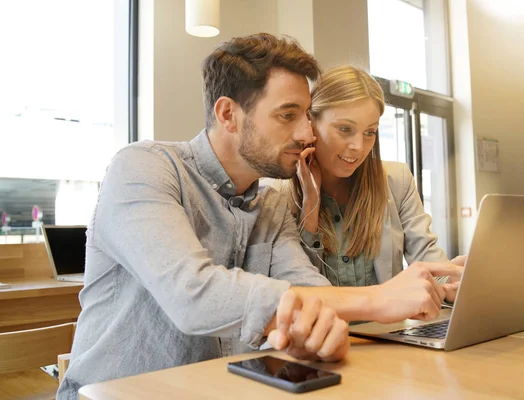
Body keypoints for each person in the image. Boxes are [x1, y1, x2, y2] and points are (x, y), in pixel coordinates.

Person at [58, 34, 461, 399]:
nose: (307, 134)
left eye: (307, 115)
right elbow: (194, 295)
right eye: (289, 115)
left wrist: (320, 327)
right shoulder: (144, 167)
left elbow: (311, 291)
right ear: (228, 114)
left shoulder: (270, 205)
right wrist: (375, 299)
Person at [279, 65, 461, 298]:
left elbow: (427, 258)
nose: (358, 146)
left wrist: (454, 280)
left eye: (369, 132)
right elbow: (296, 285)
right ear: (310, 121)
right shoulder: (277, 193)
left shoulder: (396, 181)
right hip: (321, 333)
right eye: (345, 129)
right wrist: (311, 204)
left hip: (389, 333)